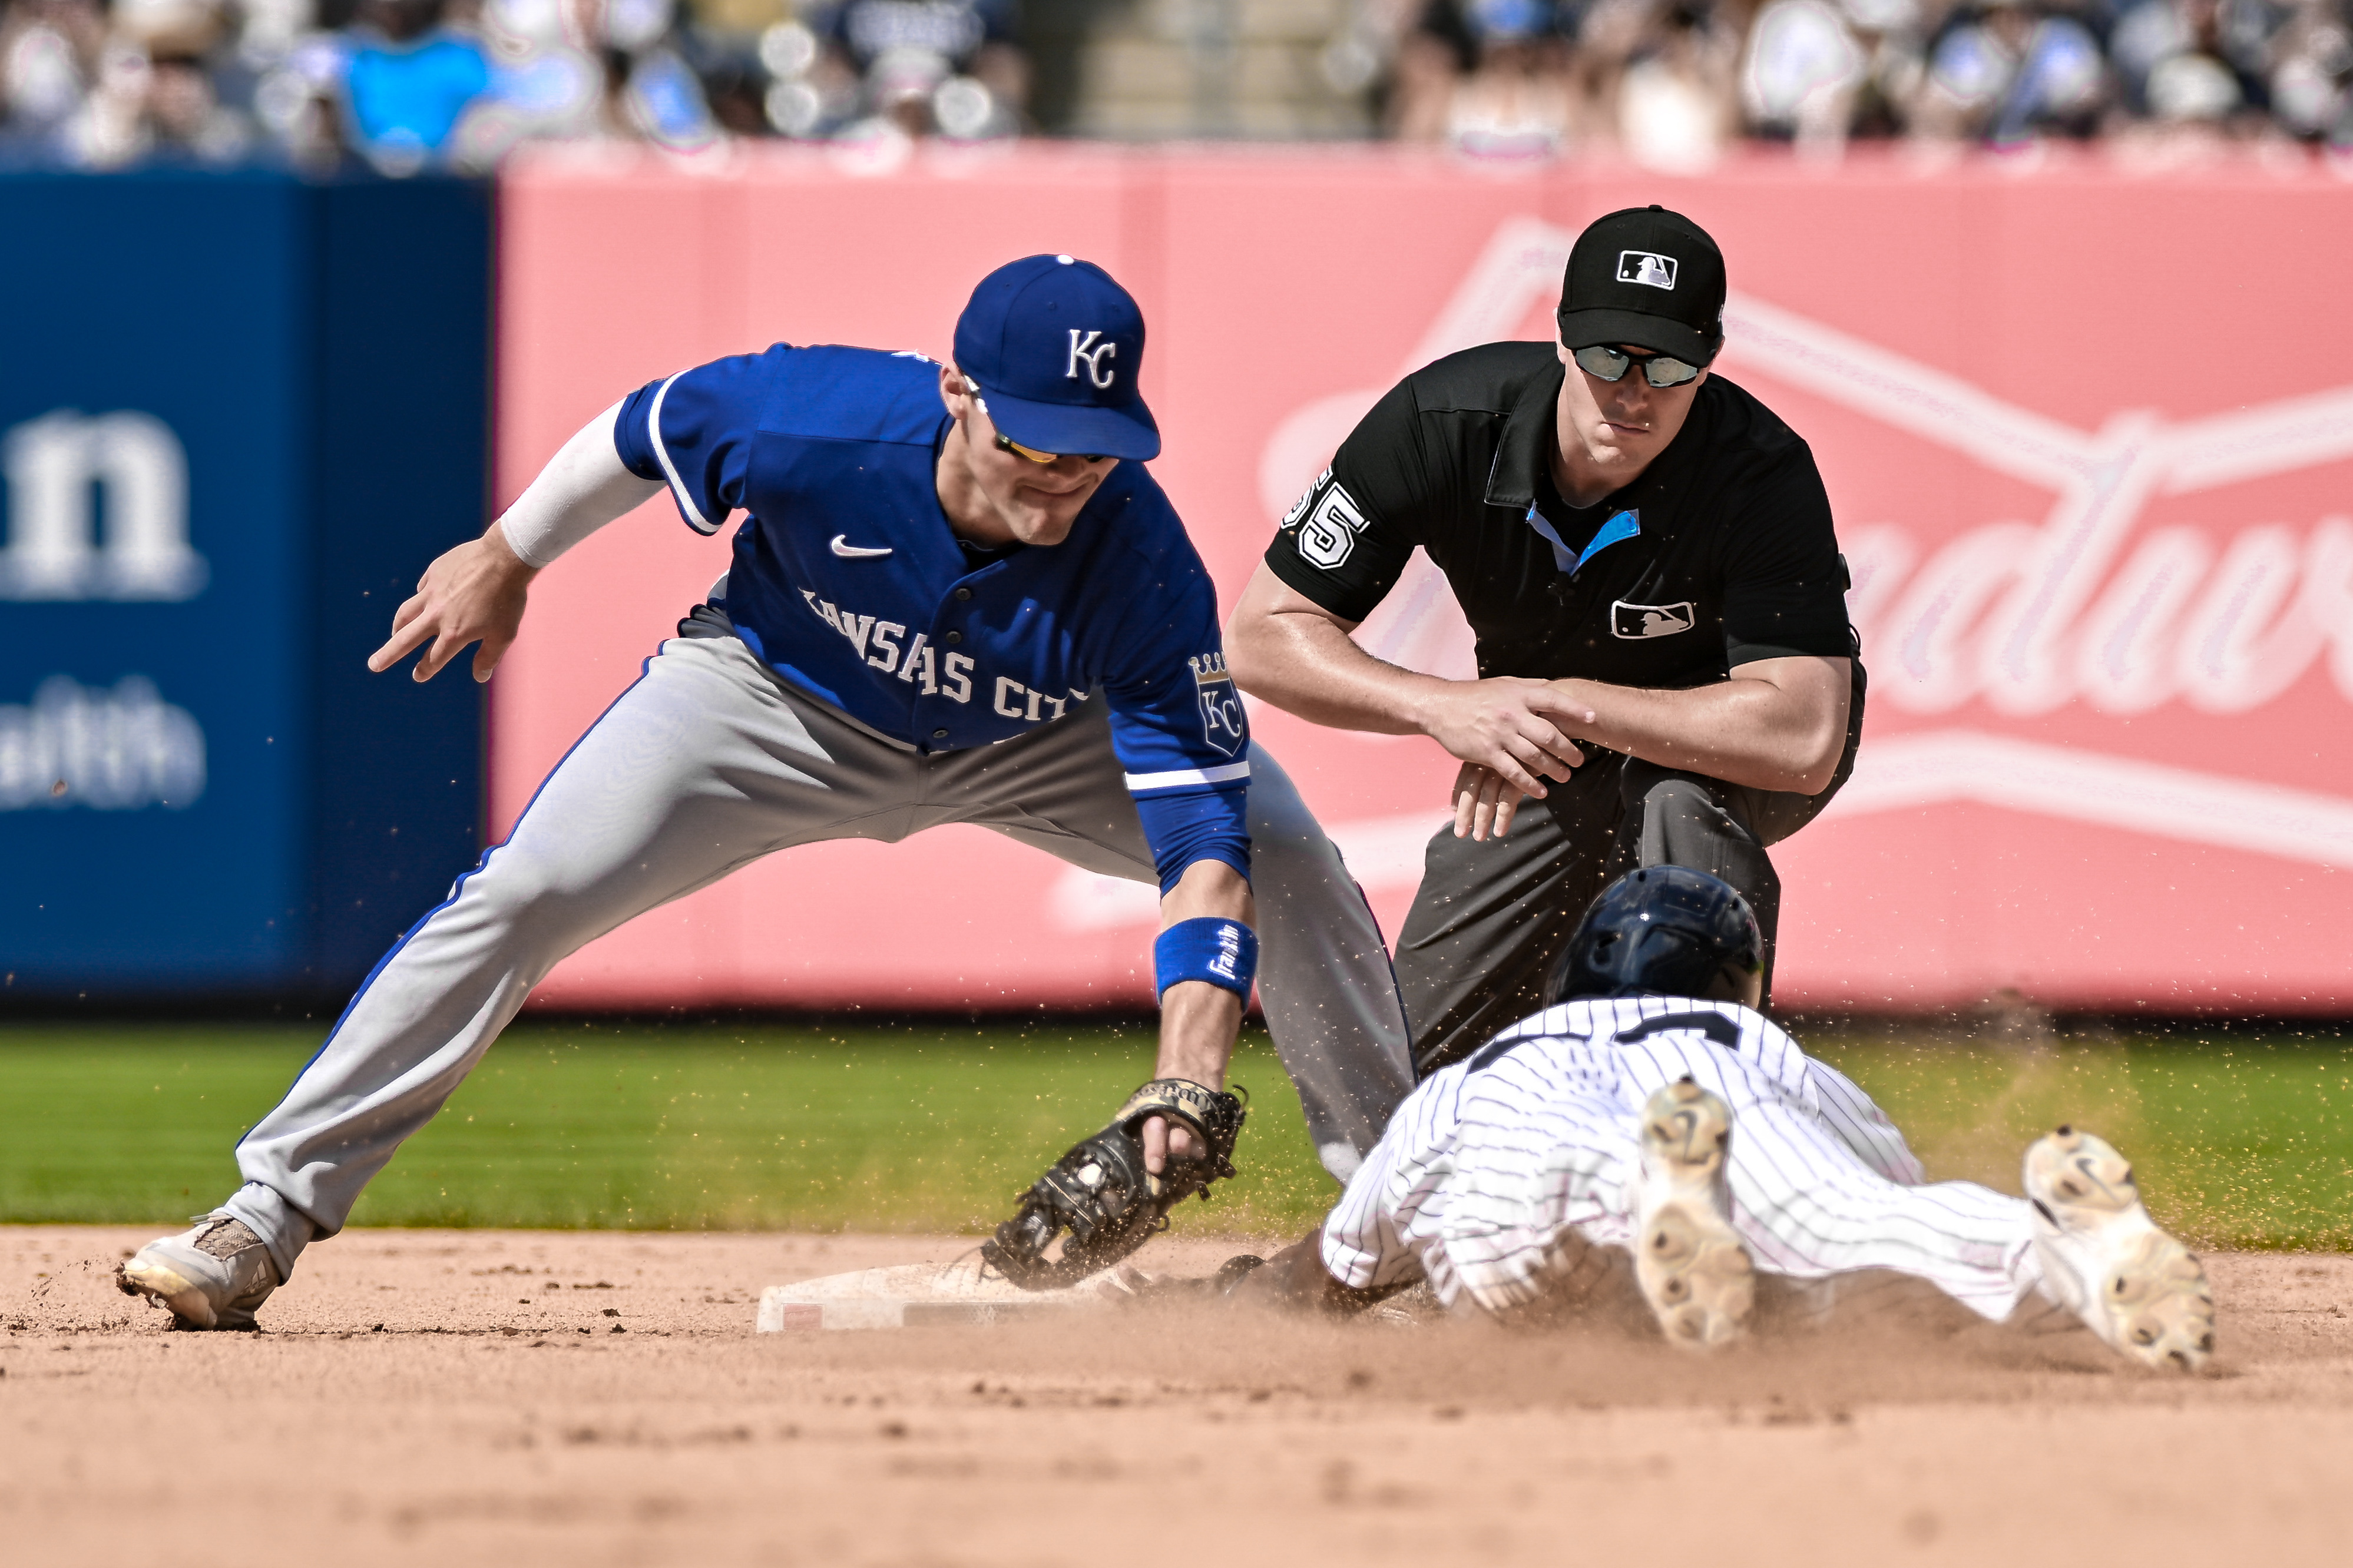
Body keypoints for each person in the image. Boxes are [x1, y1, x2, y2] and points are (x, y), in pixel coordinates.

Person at [116, 254, 1414, 1331]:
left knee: (1289, 857)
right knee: (526, 891)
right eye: (1031, 440)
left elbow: (1204, 846)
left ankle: (1397, 1240)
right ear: (958, 388)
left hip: (1037, 738)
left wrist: (1184, 1075)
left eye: (1089, 454)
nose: (1058, 479)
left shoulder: (1139, 558)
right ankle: (262, 1215)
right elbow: (642, 429)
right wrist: (508, 553)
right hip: (774, 697)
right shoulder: (817, 420)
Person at [1225, 204, 1862, 1077]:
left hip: (1712, 743)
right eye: (1608, 355)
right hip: (1546, 739)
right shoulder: (1437, 422)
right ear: (1562, 340)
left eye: (1668, 364)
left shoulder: (1762, 471)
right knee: (1404, 1066)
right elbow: (1262, 637)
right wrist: (1446, 706)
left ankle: (1704, 1126)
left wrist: (1553, 703)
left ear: (1709, 364)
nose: (1633, 391)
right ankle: (1390, 1206)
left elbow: (1803, 737)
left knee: (1680, 808)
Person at [1237, 867, 2217, 1374]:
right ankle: (2068, 1254)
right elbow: (1884, 1201)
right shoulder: (1759, 1047)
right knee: (1867, 1242)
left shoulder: (1474, 1075)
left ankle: (1641, 1202)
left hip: (1517, 1144)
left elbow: (1334, 1270)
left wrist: (1243, 1302)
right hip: (1722, 1100)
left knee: (1513, 1252)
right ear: (1734, 979)